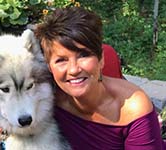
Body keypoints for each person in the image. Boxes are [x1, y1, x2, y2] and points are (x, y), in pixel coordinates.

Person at [35, 7, 166, 150]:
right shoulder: (46, 98)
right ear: (49, 66)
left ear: (101, 58)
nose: (74, 70)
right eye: (61, 60)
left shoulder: (132, 107)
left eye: (83, 55)